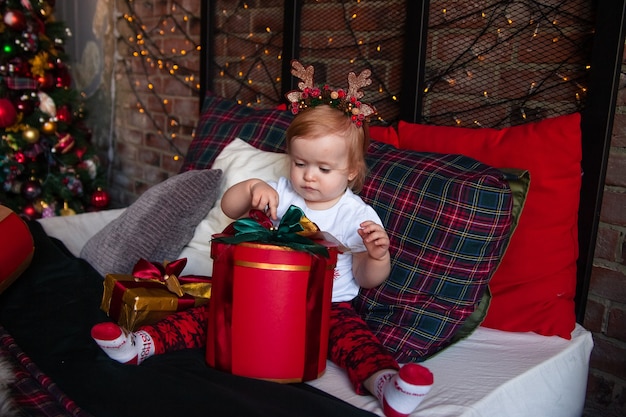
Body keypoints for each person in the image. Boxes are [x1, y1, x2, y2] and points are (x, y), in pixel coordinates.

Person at [91, 62, 433, 417]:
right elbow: (230, 207)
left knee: (353, 340)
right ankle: (142, 344)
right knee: (209, 316)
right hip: (260, 293)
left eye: (324, 169)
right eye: (300, 163)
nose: (309, 177)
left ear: (351, 170)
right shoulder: (282, 192)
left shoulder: (356, 215)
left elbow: (365, 278)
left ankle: (386, 383)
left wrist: (377, 256)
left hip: (325, 307)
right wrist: (252, 188)